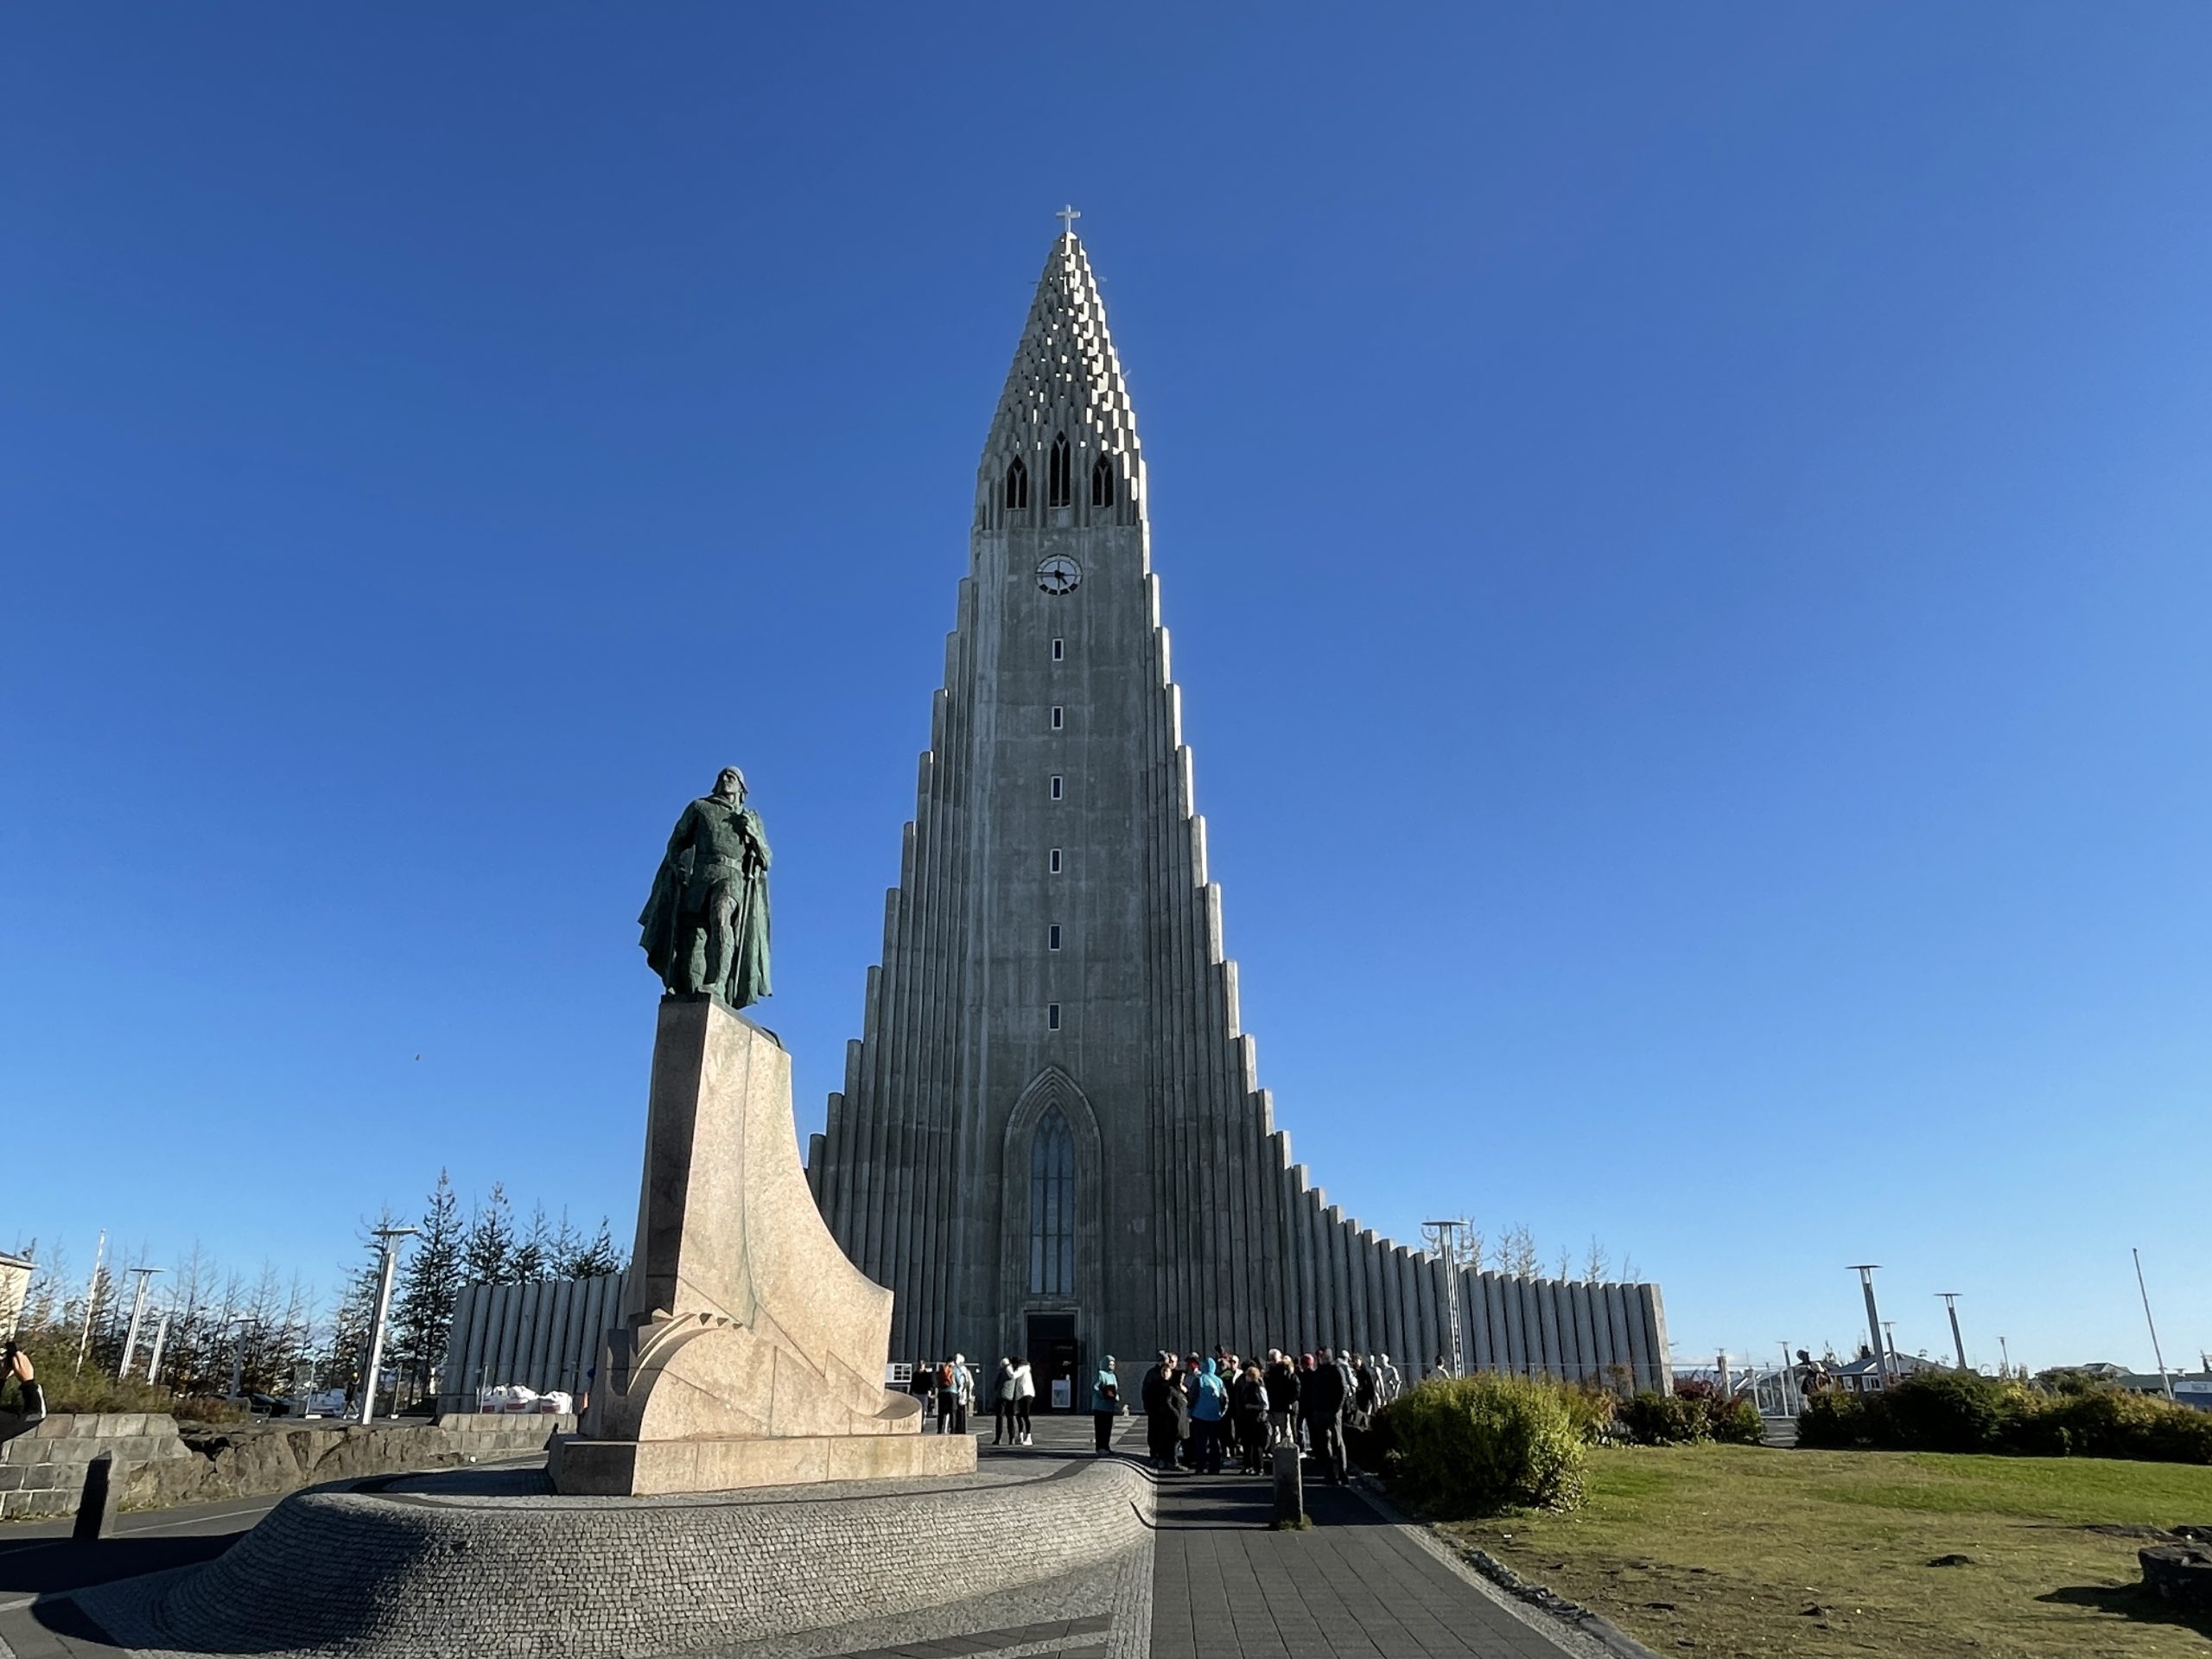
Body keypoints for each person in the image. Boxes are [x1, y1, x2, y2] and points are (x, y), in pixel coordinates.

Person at [1305, 1344, 1348, 1484]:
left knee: (1338, 1442)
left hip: (1333, 1411)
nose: (1320, 1357)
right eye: (1318, 1355)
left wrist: (1337, 1408)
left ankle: (1342, 1472)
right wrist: (1315, 1407)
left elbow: (1343, 1389)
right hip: (1320, 1411)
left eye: (1322, 1354)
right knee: (1324, 1443)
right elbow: (1313, 1390)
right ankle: (1329, 1473)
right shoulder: (1318, 1372)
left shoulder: (1336, 1370)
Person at [1142, 1353, 1187, 1472]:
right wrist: (1150, 1409)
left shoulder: (1176, 1375)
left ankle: (1166, 1458)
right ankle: (1157, 1456)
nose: (1170, 1363)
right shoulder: (1154, 1375)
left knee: (1170, 1437)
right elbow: (1148, 1393)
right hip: (1158, 1412)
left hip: (1170, 1414)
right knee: (1156, 1434)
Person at [1189, 1357, 1228, 1474]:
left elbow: (1193, 1396)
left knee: (1201, 1443)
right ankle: (1215, 1467)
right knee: (1214, 1443)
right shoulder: (1219, 1381)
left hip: (1199, 1415)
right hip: (1215, 1416)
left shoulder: (1199, 1380)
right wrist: (1222, 1412)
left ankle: (1200, 1467)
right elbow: (1224, 1398)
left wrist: (1190, 1410)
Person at [1231, 1361, 1269, 1474]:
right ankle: (1248, 1465)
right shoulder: (1246, 1386)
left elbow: (1265, 1405)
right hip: (1246, 1418)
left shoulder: (1259, 1387)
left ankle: (1259, 1467)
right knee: (1247, 1443)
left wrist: (1252, 1406)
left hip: (1257, 1419)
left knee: (1257, 1445)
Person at [1262, 1348, 1300, 1447]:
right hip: (1272, 1408)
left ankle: (1287, 1454)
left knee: (1285, 1433)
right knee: (1274, 1433)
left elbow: (1296, 1389)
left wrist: (1289, 1402)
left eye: (1274, 1359)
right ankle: (1276, 1455)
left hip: (1283, 1408)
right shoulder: (1268, 1375)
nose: (1272, 1361)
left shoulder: (1286, 1373)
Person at [1091, 1355, 1122, 1454]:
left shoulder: (1113, 1376)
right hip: (1100, 1406)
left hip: (1109, 1406)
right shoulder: (1100, 1374)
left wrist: (1115, 1397)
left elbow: (1115, 1389)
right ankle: (1100, 1447)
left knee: (1108, 1428)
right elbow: (1095, 1387)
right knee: (1101, 1427)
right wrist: (1103, 1394)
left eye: (1113, 1364)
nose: (1112, 1366)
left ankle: (1106, 1446)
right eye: (1110, 1364)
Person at [994, 1357, 1019, 1445]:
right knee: (1010, 1418)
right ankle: (1012, 1439)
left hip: (1001, 1396)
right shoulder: (1014, 1373)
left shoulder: (1002, 1371)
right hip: (1010, 1397)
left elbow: (996, 1384)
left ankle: (998, 1438)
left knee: (999, 1418)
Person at [1012, 1355, 1035, 1445]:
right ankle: (1021, 1435)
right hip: (1023, 1394)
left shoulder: (1023, 1368)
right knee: (1019, 1415)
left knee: (1025, 1415)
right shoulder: (1026, 1369)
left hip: (1026, 1394)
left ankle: (1028, 1437)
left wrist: (1008, 1368)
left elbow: (1014, 1375)